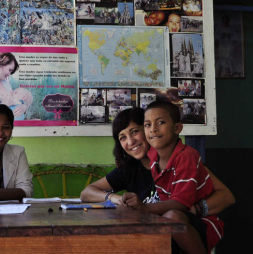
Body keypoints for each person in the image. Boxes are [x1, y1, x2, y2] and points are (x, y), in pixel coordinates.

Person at [80, 107, 234, 253]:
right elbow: (86, 193)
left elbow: (227, 197)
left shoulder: (179, 160)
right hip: (153, 235)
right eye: (123, 137)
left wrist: (193, 209)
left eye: (134, 132)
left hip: (186, 232)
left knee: (171, 218)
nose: (130, 141)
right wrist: (116, 199)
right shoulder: (129, 169)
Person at [125, 101, 224, 253]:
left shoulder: (187, 156)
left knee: (171, 217)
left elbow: (181, 204)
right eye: (147, 125)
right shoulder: (152, 156)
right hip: (171, 217)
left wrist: (144, 207)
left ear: (177, 128)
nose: (153, 129)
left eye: (161, 122)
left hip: (199, 222)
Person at [0, 52, 29, 118]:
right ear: (1, 63)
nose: (9, 74)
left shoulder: (5, 82)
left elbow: (14, 100)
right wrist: (4, 105)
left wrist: (24, 107)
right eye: (9, 70)